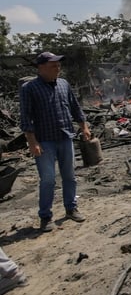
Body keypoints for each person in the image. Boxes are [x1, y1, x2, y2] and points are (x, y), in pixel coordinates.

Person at [19, 52, 91, 232]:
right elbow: (26, 117)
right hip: (44, 141)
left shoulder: (63, 84)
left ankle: (71, 208)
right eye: (53, 65)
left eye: (59, 65)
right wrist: (32, 142)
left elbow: (74, 106)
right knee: (48, 180)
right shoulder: (30, 88)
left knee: (70, 176)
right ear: (41, 67)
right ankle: (45, 216)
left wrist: (84, 126)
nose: (58, 68)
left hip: (65, 136)